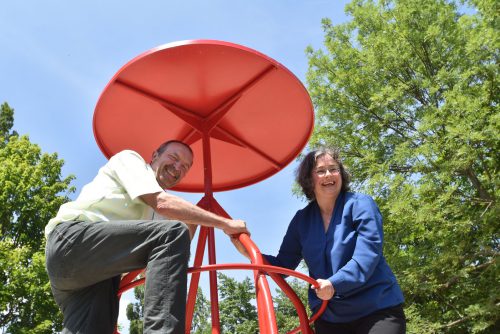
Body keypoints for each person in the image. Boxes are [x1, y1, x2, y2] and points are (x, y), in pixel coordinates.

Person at [45, 140, 249, 334]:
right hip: (73, 242)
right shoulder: (130, 161)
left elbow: (164, 265)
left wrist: (195, 220)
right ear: (155, 156)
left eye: (185, 167)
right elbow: (163, 205)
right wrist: (226, 224)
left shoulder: (160, 219)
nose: (178, 167)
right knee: (172, 233)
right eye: (174, 157)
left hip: (98, 278)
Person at [233, 146, 405, 334]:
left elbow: (367, 256)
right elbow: (282, 265)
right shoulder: (302, 220)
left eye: (334, 169)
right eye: (320, 171)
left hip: (376, 309)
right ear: (309, 180)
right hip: (330, 318)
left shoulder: (360, 204)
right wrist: (248, 252)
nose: (328, 175)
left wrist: (334, 284)